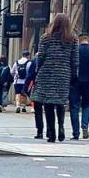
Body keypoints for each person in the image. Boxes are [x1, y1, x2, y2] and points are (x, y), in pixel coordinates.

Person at [32, 12, 79, 143]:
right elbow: (75, 60)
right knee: (60, 103)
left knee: (47, 104)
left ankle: (51, 133)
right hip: (64, 74)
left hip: (46, 74)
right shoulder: (73, 39)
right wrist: (74, 75)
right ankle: (61, 127)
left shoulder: (46, 37)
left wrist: (37, 71)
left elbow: (40, 57)